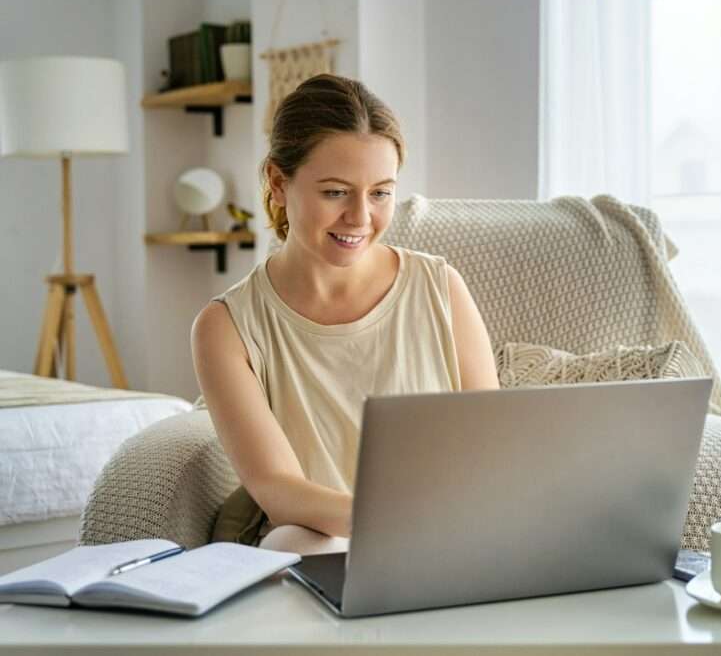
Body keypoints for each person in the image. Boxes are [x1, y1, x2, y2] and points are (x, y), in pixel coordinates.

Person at [191, 74, 499, 556]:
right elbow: (276, 488)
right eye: (336, 192)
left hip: (448, 531)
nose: (360, 217)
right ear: (277, 182)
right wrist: (397, 521)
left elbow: (490, 444)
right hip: (320, 538)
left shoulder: (441, 289)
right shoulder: (226, 326)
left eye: (381, 193)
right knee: (301, 544)